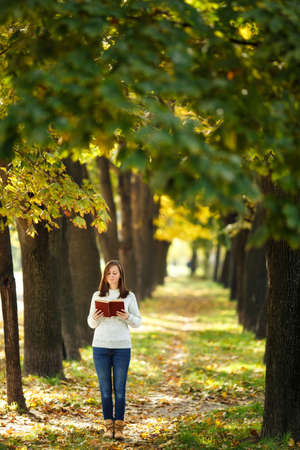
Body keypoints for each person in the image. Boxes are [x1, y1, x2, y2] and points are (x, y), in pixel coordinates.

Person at [87, 260, 142, 440]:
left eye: (115, 272)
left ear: (121, 275)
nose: (112, 275)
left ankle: (119, 427)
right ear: (105, 275)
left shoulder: (129, 296)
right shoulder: (97, 295)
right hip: (100, 347)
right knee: (104, 390)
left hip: (121, 348)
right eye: (109, 272)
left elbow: (138, 322)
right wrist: (95, 317)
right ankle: (107, 425)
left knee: (119, 390)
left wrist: (127, 317)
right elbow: (91, 323)